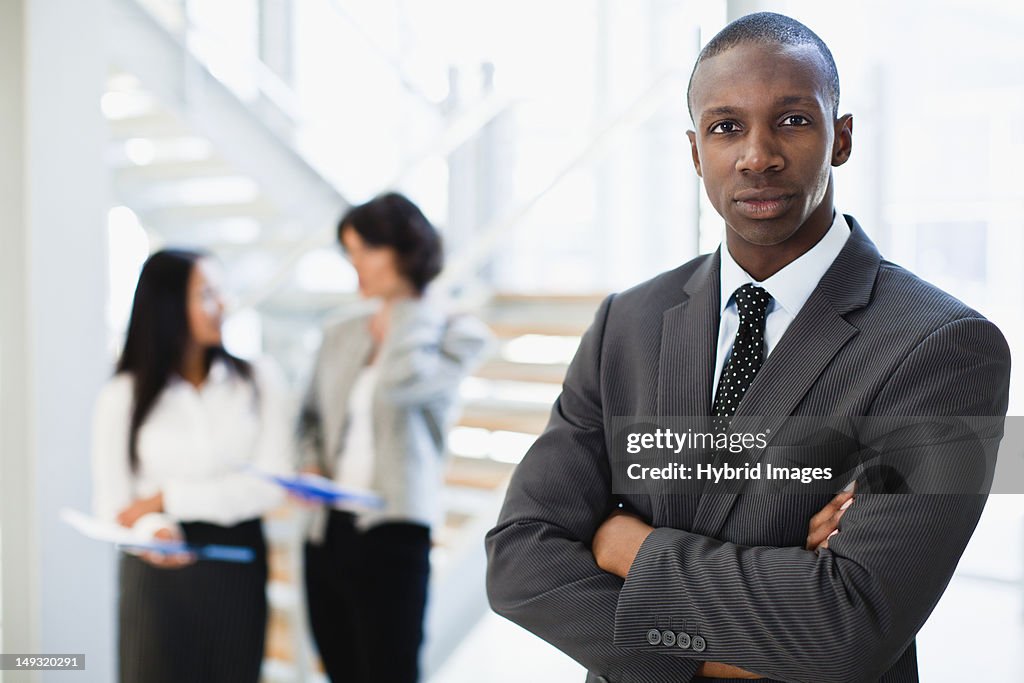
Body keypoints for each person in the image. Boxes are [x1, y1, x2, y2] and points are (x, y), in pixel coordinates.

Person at [485, 12, 1010, 683]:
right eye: (726, 127)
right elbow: (520, 558)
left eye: (791, 120)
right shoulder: (629, 321)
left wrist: (626, 542)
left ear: (840, 137)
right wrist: (728, 653)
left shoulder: (943, 347)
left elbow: (849, 624)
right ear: (696, 150)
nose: (757, 156)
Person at [296, 192, 492, 683]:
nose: (354, 264)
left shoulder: (454, 331)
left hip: (395, 530)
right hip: (327, 528)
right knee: (339, 667)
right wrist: (309, 464)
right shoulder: (341, 331)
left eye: (365, 250)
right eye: (349, 252)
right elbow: (310, 419)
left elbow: (401, 384)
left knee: (390, 671)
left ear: (403, 249)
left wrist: (412, 305)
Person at [91, 249, 292, 683]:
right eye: (206, 294)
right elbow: (116, 507)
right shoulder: (122, 396)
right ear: (166, 306)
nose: (222, 306)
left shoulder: (259, 380)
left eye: (221, 293)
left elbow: (272, 485)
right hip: (156, 574)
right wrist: (152, 528)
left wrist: (167, 497)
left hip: (236, 569)